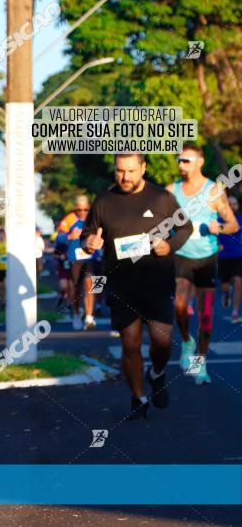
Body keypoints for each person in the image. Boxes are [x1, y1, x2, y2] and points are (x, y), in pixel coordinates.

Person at [82, 153, 193, 419]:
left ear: (143, 168)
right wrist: (88, 243)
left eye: (131, 171)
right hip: (122, 285)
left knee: (161, 342)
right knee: (130, 344)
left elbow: (185, 228)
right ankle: (138, 398)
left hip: (156, 282)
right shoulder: (104, 201)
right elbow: (87, 234)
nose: (126, 177)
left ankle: (156, 372)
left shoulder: (160, 198)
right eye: (120, 171)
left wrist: (170, 245)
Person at [168, 142, 239, 382]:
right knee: (179, 306)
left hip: (207, 258)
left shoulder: (213, 191)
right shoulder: (171, 190)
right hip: (181, 255)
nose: (181, 164)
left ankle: (200, 363)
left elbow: (234, 225)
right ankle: (187, 340)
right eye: (179, 160)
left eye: (186, 160)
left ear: (199, 162)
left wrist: (219, 227)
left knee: (206, 316)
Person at [66, 196, 98, 331]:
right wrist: (69, 237)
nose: (83, 212)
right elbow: (57, 240)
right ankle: (77, 313)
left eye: (86, 209)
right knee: (76, 289)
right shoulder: (68, 220)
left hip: (92, 258)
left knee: (91, 284)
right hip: (75, 259)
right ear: (75, 209)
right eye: (79, 210)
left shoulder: (96, 219)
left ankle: (90, 317)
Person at [218, 195, 242, 323]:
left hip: (239, 255)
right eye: (230, 204)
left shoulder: (240, 220)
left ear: (237, 206)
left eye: (235, 204)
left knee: (239, 281)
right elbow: (212, 235)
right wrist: (216, 245)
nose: (232, 206)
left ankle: (235, 311)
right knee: (225, 285)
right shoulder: (218, 220)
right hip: (224, 256)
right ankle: (226, 294)